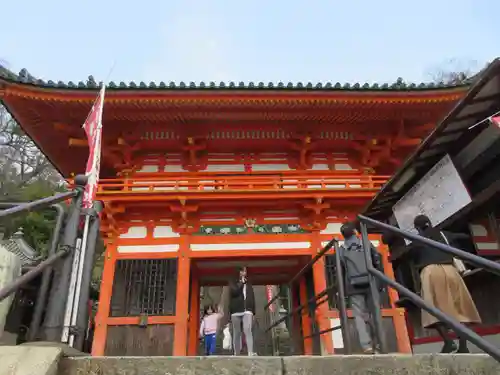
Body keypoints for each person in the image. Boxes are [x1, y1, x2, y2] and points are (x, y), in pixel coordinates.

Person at [412, 215, 481, 353]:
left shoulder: (417, 240)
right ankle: (463, 346)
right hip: (450, 270)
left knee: (432, 310)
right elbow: (464, 236)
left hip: (430, 272)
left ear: (417, 228)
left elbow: (413, 257)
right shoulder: (444, 234)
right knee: (459, 309)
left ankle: (448, 342)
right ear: (430, 223)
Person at [338, 221, 383, 354]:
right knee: (375, 312)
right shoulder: (366, 243)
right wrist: (380, 282)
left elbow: (341, 271)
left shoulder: (341, 250)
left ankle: (366, 346)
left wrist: (343, 290)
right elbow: (377, 260)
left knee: (358, 315)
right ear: (355, 232)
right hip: (370, 281)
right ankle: (380, 343)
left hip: (353, 285)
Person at [228, 266, 257, 356]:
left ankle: (250, 352)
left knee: (247, 330)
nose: (244, 273)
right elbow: (234, 292)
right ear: (238, 272)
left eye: (245, 271)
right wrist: (241, 283)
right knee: (236, 332)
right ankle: (236, 353)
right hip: (236, 310)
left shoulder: (249, 283)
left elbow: (252, 296)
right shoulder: (232, 282)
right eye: (242, 271)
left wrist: (253, 311)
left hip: (247, 310)